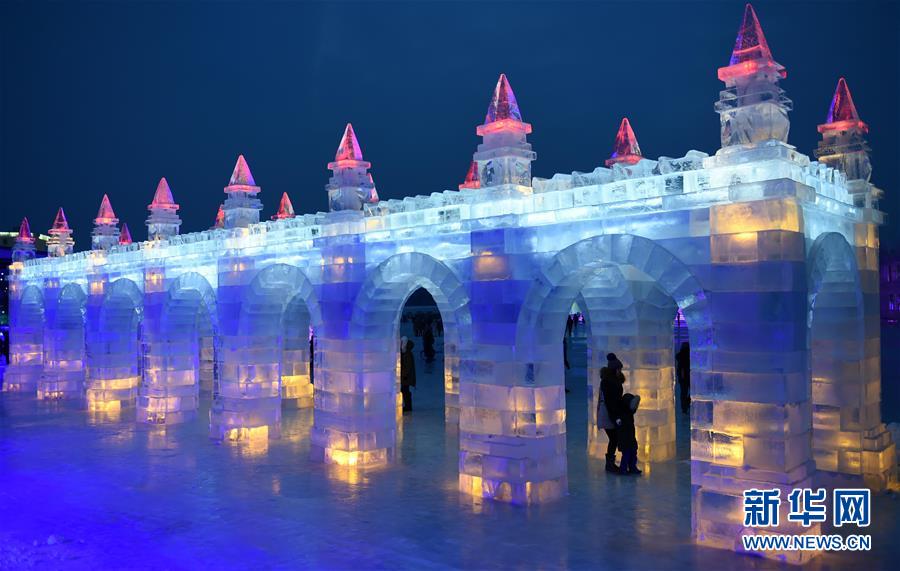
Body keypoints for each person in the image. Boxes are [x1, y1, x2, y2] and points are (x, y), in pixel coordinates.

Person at [597, 353, 625, 473]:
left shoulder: (608, 381)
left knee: (613, 438)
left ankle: (610, 464)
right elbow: (611, 402)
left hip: (606, 412)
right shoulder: (611, 383)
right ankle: (609, 465)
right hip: (608, 414)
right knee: (614, 438)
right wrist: (616, 418)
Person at [618, 393, 642, 475]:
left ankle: (632, 467)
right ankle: (623, 468)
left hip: (630, 437)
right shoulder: (623, 414)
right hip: (625, 438)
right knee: (627, 454)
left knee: (633, 452)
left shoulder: (628, 413)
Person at [400, 336, 416, 412]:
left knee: (405, 390)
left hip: (407, 376)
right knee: (404, 390)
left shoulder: (407, 353)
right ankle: (407, 406)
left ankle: (408, 406)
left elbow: (408, 366)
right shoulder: (406, 352)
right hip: (406, 376)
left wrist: (404, 375)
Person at [675, 342, 691, 414]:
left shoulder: (680, 356)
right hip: (688, 377)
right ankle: (686, 404)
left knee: (683, 393)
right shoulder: (688, 356)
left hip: (683, 378)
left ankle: (684, 408)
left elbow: (679, 369)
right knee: (691, 393)